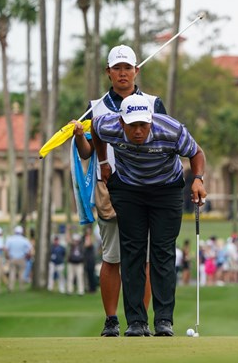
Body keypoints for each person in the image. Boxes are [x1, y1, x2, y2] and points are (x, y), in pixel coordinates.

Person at [90, 93, 207, 337]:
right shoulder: (108, 124)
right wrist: (103, 162)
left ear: (151, 121)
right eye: (132, 125)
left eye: (143, 124)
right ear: (121, 123)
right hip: (129, 189)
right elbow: (95, 128)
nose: (138, 131)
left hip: (166, 190)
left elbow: (196, 153)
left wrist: (197, 179)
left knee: (162, 252)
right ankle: (136, 322)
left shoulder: (171, 129)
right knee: (132, 252)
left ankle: (164, 320)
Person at [72, 45, 165, 336]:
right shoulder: (94, 106)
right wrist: (78, 137)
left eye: (128, 68)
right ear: (108, 72)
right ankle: (111, 320)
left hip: (147, 187)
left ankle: (141, 321)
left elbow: (165, 141)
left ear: (136, 70)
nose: (123, 73)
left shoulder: (153, 103)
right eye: (117, 68)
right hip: (109, 190)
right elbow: (87, 152)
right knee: (113, 257)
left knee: (146, 259)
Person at [4, 225, 33, 292]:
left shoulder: (10, 239)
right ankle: (21, 288)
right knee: (22, 273)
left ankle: (11, 288)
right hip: (22, 258)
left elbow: (6, 249)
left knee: (12, 273)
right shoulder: (24, 240)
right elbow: (30, 249)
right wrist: (28, 256)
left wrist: (7, 256)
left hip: (12, 258)